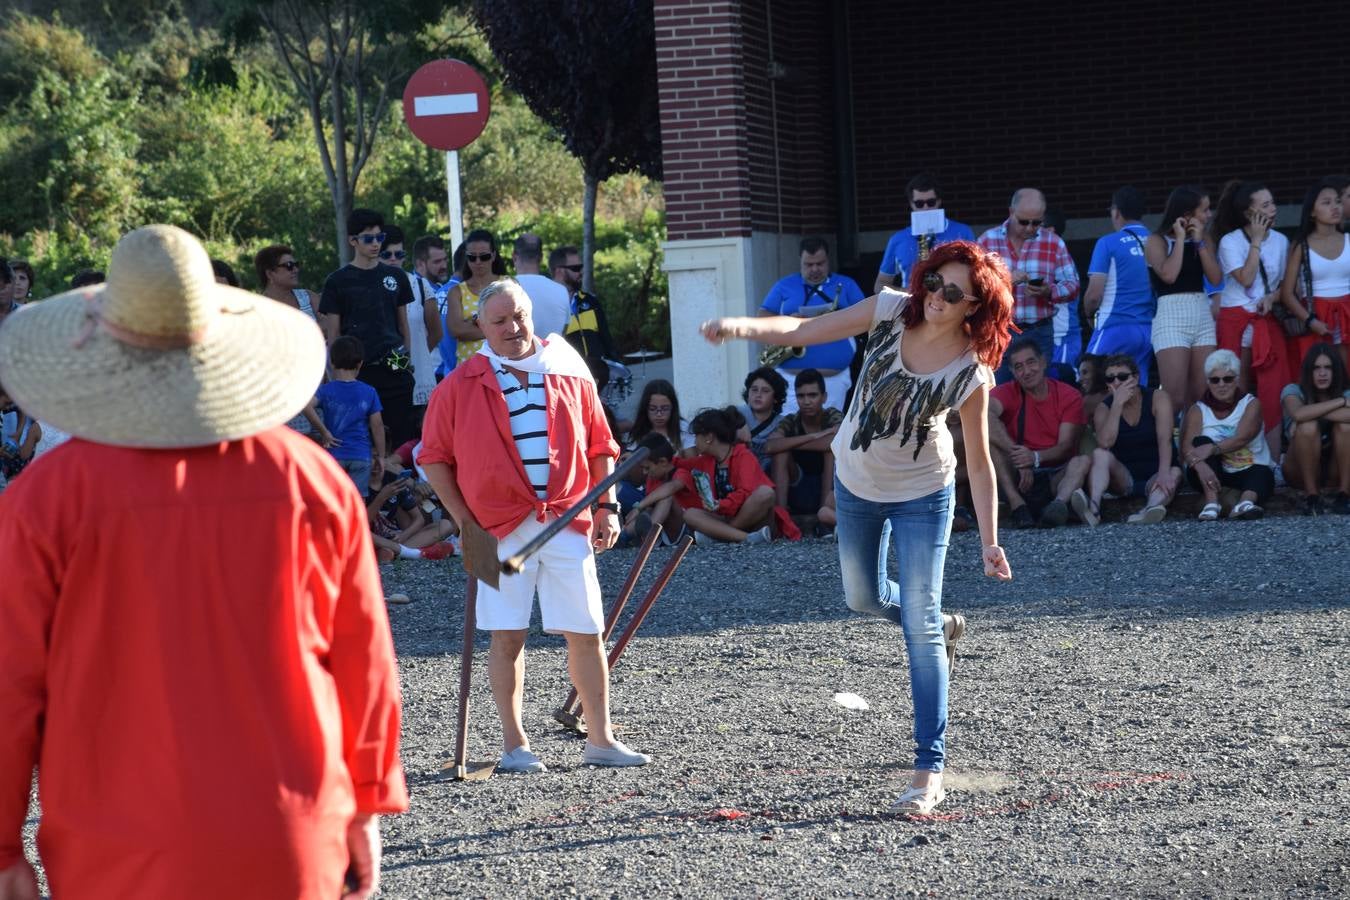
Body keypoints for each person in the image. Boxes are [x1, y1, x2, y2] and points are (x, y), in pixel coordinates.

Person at [0, 225, 407, 899]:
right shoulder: (312, 480)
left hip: (112, 845)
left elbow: (11, 687)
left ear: (103, 352)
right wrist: (366, 803)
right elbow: (364, 662)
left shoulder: (46, 497)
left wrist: (3, 845)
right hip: (292, 833)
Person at [699, 239, 1014, 815]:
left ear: (975, 305)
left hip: (923, 494)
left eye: (952, 291)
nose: (936, 296)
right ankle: (940, 622)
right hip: (856, 485)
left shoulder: (972, 371)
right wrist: (740, 327)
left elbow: (979, 461)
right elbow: (800, 328)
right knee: (861, 597)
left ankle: (928, 770)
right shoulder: (890, 308)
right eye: (932, 282)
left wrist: (991, 542)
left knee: (915, 630)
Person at [419, 278, 649, 772]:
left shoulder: (568, 368)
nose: (512, 327)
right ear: (480, 326)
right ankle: (514, 745)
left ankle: (602, 739)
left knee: (587, 631)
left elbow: (600, 446)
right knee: (506, 635)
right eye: (499, 320)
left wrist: (607, 507)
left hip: (568, 516)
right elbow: (433, 458)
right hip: (491, 527)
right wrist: (463, 523)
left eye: (518, 316)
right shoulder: (457, 384)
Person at [319, 208, 417, 448]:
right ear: (353, 241)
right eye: (368, 238)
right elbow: (334, 335)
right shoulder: (337, 281)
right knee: (362, 445)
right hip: (356, 373)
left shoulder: (397, 276)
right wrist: (339, 377)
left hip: (395, 370)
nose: (376, 244)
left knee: (403, 442)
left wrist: (405, 361)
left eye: (379, 237)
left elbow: (404, 327)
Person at [1057, 354, 1182, 527]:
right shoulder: (1104, 407)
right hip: (1123, 476)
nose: (1117, 383)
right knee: (1100, 454)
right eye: (1111, 379)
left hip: (1155, 471)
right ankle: (1093, 509)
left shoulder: (1157, 398)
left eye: (1123, 377)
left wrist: (1163, 473)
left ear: (1136, 378)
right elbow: (1105, 443)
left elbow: (1165, 439)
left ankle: (1149, 510)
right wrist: (1117, 405)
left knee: (1173, 472)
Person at [1212, 180, 1289, 454]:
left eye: (1273, 203)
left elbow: (1286, 286)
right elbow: (1245, 278)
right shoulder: (1230, 241)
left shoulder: (1281, 240)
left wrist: (1272, 298)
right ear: (1249, 212)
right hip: (1236, 319)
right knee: (1236, 387)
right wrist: (1256, 242)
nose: (1273, 209)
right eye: (1266, 205)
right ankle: (1240, 454)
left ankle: (1275, 457)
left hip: (1267, 319)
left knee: (1273, 388)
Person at [977, 188, 1080, 380]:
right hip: (1001, 331)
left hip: (1039, 331)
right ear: (1011, 213)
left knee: (1039, 397)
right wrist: (1005, 280)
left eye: (1036, 223)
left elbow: (1073, 284)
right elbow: (973, 285)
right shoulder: (987, 240)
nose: (1030, 228)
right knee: (1000, 394)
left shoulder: (1053, 243)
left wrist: (1050, 291)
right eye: (1024, 222)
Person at [640, 406, 781, 545]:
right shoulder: (708, 460)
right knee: (690, 514)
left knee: (765, 493)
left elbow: (744, 493)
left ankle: (725, 535)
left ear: (709, 437)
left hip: (753, 518)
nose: (694, 442)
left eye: (696, 436)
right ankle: (745, 538)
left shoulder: (743, 456)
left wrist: (720, 505)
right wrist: (664, 459)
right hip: (726, 517)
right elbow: (680, 463)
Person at [987, 337, 1087, 528]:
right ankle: (1018, 506)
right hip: (1018, 474)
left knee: (1082, 461)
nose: (1026, 371)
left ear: (1043, 362)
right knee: (990, 444)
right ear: (1012, 372)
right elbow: (984, 415)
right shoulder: (1007, 391)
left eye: (1031, 362)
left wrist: (1034, 458)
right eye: (1018, 367)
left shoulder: (1068, 395)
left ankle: (1058, 506)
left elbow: (1066, 447)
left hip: (1055, 471)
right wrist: (1019, 457)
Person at [758, 237, 865, 413]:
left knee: (832, 432)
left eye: (820, 263)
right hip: (790, 380)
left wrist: (840, 318)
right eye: (808, 264)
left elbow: (866, 316)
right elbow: (762, 317)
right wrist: (788, 321)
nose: (815, 269)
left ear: (828, 261)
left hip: (834, 379)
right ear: (800, 261)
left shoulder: (846, 285)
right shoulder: (784, 285)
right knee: (790, 428)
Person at [1144, 186, 1223, 411]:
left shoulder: (1204, 238)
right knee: (1175, 397)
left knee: (1201, 396)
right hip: (1170, 317)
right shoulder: (1156, 240)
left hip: (1201, 313)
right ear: (1187, 214)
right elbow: (1169, 275)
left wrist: (1198, 242)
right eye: (1204, 210)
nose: (1209, 215)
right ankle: (1168, 444)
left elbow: (1216, 279)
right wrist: (1180, 239)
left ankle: (1193, 443)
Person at [1181, 349, 1274, 520]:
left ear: (1237, 380)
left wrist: (1213, 449)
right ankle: (1211, 503)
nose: (1221, 384)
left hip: (1247, 469)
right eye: (1215, 380)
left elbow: (1243, 437)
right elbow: (1186, 445)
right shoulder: (1198, 409)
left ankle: (1245, 504)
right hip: (1211, 472)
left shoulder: (1251, 404)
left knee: (1263, 472)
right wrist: (1200, 467)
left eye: (1228, 379)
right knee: (1200, 441)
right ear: (1208, 382)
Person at [1083, 187, 1156, 382]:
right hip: (1148, 330)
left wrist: (1090, 317)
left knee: (1088, 380)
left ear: (1116, 211)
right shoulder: (1157, 242)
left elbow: (1094, 295)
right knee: (1136, 393)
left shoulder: (1108, 243)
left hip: (1115, 327)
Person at [1279, 179, 1349, 375]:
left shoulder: (1349, 240)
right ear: (1312, 211)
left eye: (1337, 201)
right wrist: (1310, 321)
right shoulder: (1302, 246)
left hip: (1348, 314)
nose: (1335, 207)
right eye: (1326, 203)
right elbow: (1287, 294)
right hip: (1317, 315)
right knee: (1322, 376)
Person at [764, 369, 842, 534]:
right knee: (780, 454)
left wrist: (791, 444)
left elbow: (836, 442)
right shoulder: (792, 420)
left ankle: (823, 522)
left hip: (828, 489)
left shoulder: (832, 415)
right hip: (797, 485)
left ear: (824, 397)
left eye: (812, 395)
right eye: (801, 396)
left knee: (831, 451)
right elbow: (770, 446)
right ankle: (781, 519)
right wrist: (815, 436)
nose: (806, 401)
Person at [381, 227, 444, 423]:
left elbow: (436, 332)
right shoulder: (372, 286)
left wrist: (418, 354)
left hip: (420, 377)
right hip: (383, 379)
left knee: (422, 440)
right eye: (387, 254)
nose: (394, 259)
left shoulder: (419, 285)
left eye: (399, 254)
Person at [874, 173, 975, 293]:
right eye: (919, 204)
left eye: (931, 202)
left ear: (939, 201)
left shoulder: (963, 233)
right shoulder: (898, 239)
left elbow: (975, 273)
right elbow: (880, 285)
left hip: (952, 304)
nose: (926, 208)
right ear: (911, 204)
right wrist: (907, 293)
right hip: (911, 306)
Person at [1281, 343, 1350, 514]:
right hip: (1299, 470)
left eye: (1328, 367)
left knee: (1345, 426)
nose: (1322, 373)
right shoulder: (1293, 390)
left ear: (1336, 371)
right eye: (1316, 368)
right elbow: (1298, 413)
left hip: (1336, 469)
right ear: (1308, 371)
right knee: (1307, 426)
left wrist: (1310, 412)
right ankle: (1312, 497)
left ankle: (1344, 494)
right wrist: (1340, 403)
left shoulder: (1346, 392)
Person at [314, 336, 386, 496]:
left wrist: (324, 432)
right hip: (361, 456)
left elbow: (305, 406)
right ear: (360, 363)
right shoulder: (369, 392)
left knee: (333, 501)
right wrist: (381, 456)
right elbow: (377, 426)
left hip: (334, 456)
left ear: (331, 363)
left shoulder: (326, 390)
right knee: (357, 503)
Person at [552, 244, 618, 388]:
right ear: (559, 271)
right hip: (568, 381)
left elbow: (607, 340)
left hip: (598, 379)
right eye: (575, 268)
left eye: (581, 267)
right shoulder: (548, 304)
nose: (580, 272)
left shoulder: (590, 301)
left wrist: (615, 366)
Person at [446, 228, 506, 367]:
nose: (478, 262)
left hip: (503, 367)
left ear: (493, 256)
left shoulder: (509, 285)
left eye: (484, 256)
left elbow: (517, 323)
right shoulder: (456, 291)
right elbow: (456, 330)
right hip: (468, 368)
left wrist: (474, 326)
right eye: (472, 257)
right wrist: (498, 327)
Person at [512, 233, 571, 340]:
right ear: (541, 257)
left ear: (514, 256)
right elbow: (564, 333)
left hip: (513, 356)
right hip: (551, 355)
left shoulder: (501, 289)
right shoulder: (561, 291)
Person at [736, 366, 788, 471]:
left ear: (776, 398)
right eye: (754, 390)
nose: (758, 395)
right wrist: (740, 424)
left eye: (765, 391)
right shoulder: (737, 413)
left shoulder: (781, 422)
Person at [629, 378, 695, 454]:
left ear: (673, 408)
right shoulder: (639, 430)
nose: (659, 414)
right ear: (645, 409)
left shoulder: (683, 428)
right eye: (653, 409)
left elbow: (692, 460)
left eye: (665, 409)